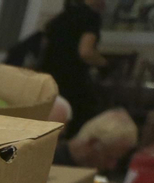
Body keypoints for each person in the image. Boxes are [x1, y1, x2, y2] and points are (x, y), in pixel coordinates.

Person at [40, 0, 107, 137]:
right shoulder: (90, 17)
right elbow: (85, 52)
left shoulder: (62, 16)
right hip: (72, 79)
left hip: (49, 76)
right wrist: (104, 63)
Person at [55, 106, 137, 172]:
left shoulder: (92, 165)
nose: (111, 166)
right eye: (109, 158)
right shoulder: (52, 164)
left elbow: (98, 182)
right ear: (92, 143)